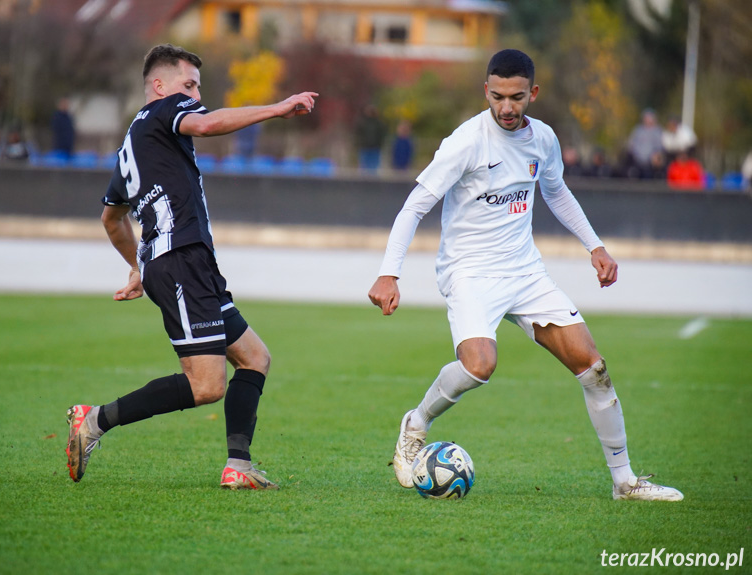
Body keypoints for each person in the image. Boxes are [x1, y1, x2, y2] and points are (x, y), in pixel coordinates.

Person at [368, 49, 683, 502]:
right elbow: (415, 205)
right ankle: (415, 424)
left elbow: (557, 193)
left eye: (516, 97)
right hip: (469, 272)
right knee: (480, 366)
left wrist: (594, 246)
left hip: (524, 271)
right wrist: (388, 274)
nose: (507, 107)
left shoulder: (544, 139)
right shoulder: (466, 141)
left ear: (532, 93)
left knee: (593, 368)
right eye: (497, 97)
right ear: (486, 92)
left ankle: (625, 482)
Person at [65, 44, 317, 490]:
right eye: (189, 84)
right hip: (181, 260)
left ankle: (238, 466)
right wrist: (278, 109)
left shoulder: (135, 141)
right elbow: (207, 123)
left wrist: (138, 265)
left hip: (187, 260)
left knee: (255, 358)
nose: (195, 94)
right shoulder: (167, 111)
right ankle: (94, 420)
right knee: (206, 385)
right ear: (160, 87)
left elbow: (112, 217)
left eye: (198, 87)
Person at [625, 108, 663, 178]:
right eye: (646, 118)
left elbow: (659, 146)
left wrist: (656, 155)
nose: (647, 120)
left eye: (649, 118)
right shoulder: (638, 130)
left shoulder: (657, 131)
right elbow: (631, 144)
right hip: (636, 160)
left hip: (651, 162)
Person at [355, 105, 386, 172]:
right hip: (365, 148)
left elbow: (381, 135)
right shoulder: (363, 123)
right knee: (364, 167)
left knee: (374, 168)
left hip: (375, 148)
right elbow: (358, 134)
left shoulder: (378, 123)